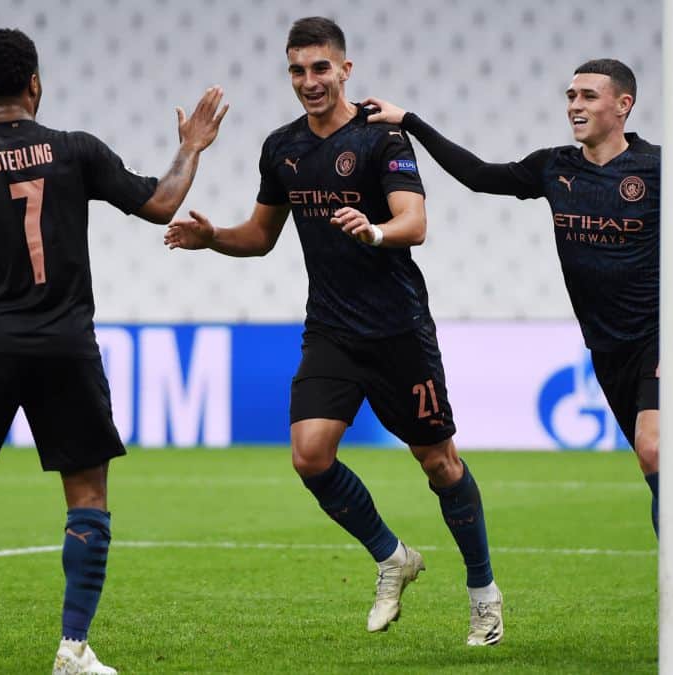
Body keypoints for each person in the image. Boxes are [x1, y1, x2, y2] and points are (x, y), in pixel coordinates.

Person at [364, 58, 673, 611]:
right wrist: (411, 121)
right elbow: (478, 175)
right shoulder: (554, 167)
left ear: (623, 105)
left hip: (666, 335)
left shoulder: (661, 168)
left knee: (654, 452)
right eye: (571, 95)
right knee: (666, 473)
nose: (575, 105)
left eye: (589, 96)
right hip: (607, 348)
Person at [0, 28, 228, 673]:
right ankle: (73, 649)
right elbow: (162, 203)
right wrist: (191, 147)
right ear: (34, 83)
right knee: (87, 495)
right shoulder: (74, 150)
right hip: (66, 344)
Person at [163, 17, 503, 645]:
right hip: (331, 330)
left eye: (320, 68)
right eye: (297, 70)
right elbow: (260, 236)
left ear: (345, 69)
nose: (309, 81)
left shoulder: (380, 137)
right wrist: (212, 238)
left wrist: (374, 231)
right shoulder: (282, 147)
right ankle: (393, 557)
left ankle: (483, 593)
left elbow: (414, 221)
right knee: (310, 455)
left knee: (439, 462)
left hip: (399, 330)